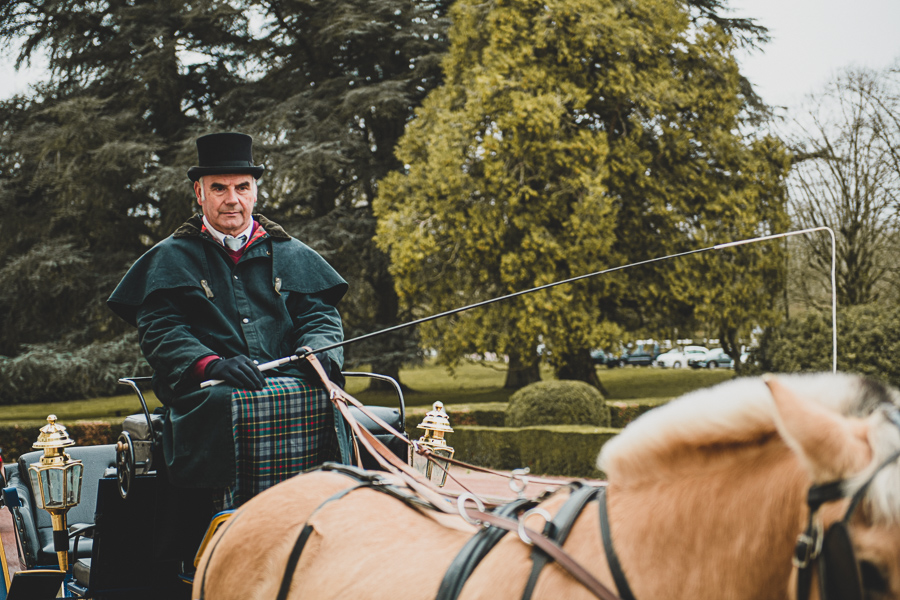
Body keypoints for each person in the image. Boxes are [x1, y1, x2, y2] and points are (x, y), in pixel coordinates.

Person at [108, 132, 353, 511]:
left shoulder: (292, 253)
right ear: (199, 193)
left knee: (326, 399)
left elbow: (321, 318)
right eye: (219, 188)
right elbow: (161, 331)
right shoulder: (169, 258)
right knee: (231, 402)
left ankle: (321, 513)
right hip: (210, 396)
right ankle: (229, 523)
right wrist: (212, 364)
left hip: (293, 382)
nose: (232, 199)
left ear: (255, 192)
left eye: (242, 187)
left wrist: (317, 353)